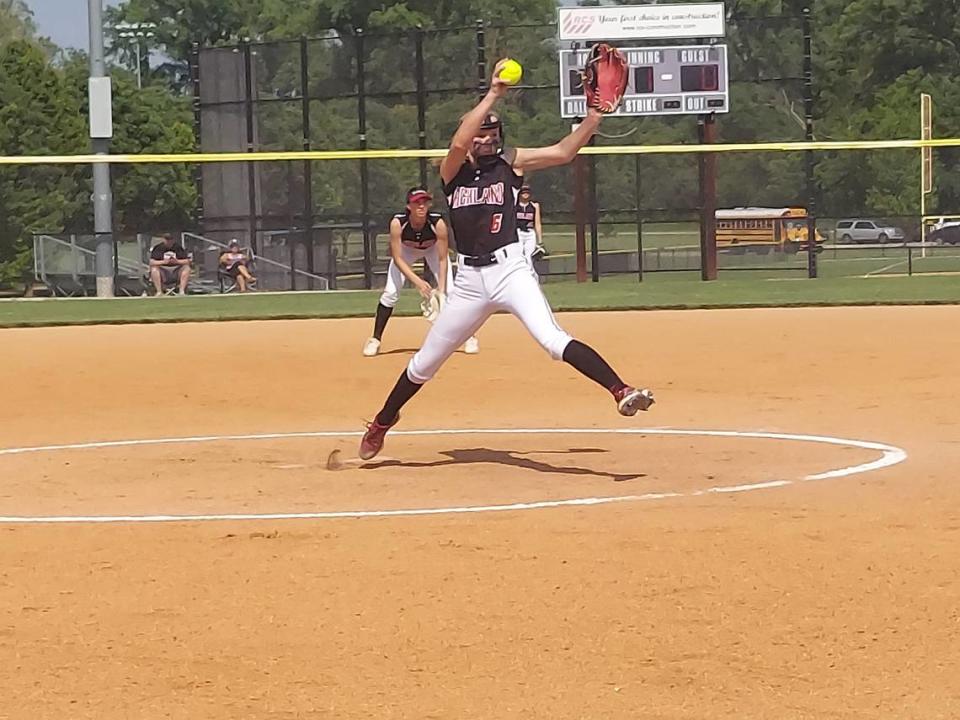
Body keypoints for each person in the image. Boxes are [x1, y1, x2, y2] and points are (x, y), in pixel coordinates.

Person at [359, 58, 654, 460]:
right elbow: (459, 144)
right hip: (468, 282)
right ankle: (383, 420)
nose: (488, 140)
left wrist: (594, 116)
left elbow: (565, 151)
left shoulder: (510, 163)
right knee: (425, 362)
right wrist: (494, 92)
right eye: (483, 133)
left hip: (510, 269)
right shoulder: (451, 172)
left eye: (493, 133)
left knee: (552, 340)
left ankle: (621, 391)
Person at [363, 186, 479, 357]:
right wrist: (417, 282)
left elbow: (442, 258)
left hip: (432, 250)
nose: (421, 206)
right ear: (408, 206)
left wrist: (440, 288)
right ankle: (375, 339)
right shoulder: (398, 223)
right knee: (390, 293)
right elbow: (397, 258)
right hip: (406, 251)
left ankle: (470, 337)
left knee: (450, 293)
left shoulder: (437, 223)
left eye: (424, 202)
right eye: (417, 203)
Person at [516, 184, 547, 264]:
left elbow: (537, 224)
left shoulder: (534, 206)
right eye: (523, 192)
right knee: (519, 257)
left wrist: (540, 242)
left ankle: (532, 276)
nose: (525, 194)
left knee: (529, 258)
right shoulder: (514, 206)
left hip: (530, 234)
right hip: (518, 233)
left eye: (527, 192)